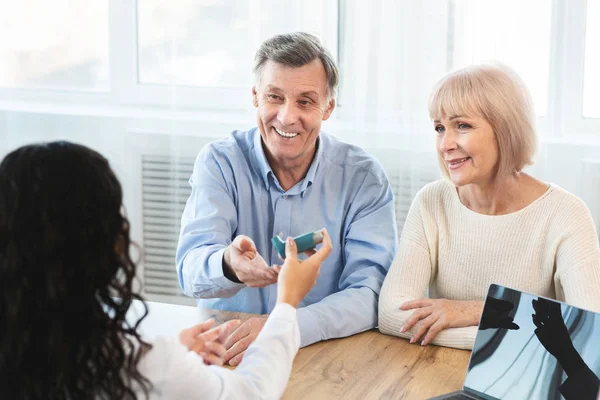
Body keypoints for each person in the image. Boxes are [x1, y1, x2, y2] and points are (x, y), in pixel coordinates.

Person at [0, 141, 332, 399]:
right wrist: (287, 303)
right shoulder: (139, 368)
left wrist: (172, 352)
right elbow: (253, 392)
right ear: (105, 243)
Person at [176, 31, 398, 365]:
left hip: (324, 357)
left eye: (305, 101)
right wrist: (228, 265)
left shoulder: (363, 178)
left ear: (328, 108)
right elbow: (190, 269)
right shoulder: (219, 162)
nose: (286, 116)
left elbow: (371, 294)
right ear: (255, 97)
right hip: (227, 354)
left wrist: (284, 327)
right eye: (274, 97)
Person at [378, 63, 600, 350]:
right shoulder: (431, 201)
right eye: (439, 128)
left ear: (505, 130)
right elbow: (391, 314)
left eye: (462, 125)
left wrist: (476, 311)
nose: (445, 144)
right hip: (438, 370)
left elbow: (589, 328)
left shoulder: (566, 213)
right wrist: (505, 339)